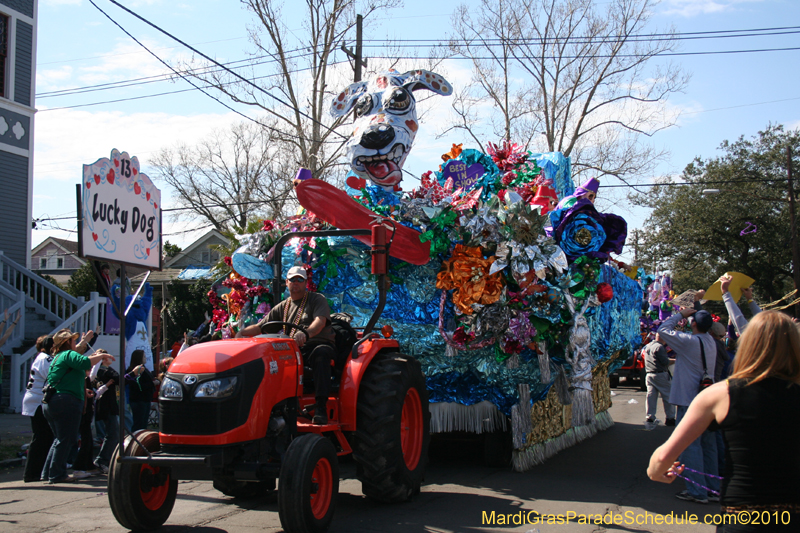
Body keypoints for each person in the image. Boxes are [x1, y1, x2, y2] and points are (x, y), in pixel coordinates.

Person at [647, 310, 800, 531]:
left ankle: (699, 491)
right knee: (709, 446)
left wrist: (659, 471)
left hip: (742, 517)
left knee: (701, 446)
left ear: (748, 344)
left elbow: (660, 461)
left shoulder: (719, 395)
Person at [237, 265, 338, 425]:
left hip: (315, 346)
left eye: (300, 279)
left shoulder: (316, 299)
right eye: (293, 279)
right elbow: (261, 326)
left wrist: (305, 333)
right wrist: (241, 333)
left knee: (321, 353)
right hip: (294, 350)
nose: (296, 282)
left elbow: (320, 322)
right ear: (287, 282)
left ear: (305, 283)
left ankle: (320, 407)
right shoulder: (283, 307)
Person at [657, 306, 719, 503]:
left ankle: (697, 491)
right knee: (708, 446)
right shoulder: (710, 341)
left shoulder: (690, 342)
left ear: (693, 324)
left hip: (689, 400)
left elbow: (662, 330)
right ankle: (712, 489)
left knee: (689, 446)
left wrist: (680, 315)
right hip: (708, 399)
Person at [41, 329, 115, 484]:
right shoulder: (68, 354)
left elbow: (70, 375)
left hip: (53, 401)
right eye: (73, 340)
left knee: (59, 439)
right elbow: (85, 362)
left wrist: (83, 390)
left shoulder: (57, 357)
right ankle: (57, 474)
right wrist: (101, 356)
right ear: (68, 342)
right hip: (66, 401)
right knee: (66, 439)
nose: (75, 343)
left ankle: (48, 473)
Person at [21, 335, 55, 483]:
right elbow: (53, 377)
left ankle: (40, 470)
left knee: (46, 437)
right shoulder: (45, 359)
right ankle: (31, 473)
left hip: (38, 400)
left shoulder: (42, 357)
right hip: (37, 401)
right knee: (40, 437)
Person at [642, 333, 675, 428]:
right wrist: (676, 360)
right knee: (668, 396)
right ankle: (670, 418)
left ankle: (650, 416)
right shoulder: (659, 347)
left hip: (649, 374)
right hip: (660, 374)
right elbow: (665, 362)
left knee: (651, 396)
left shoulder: (648, 346)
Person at [93, 360, 119, 474]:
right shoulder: (104, 371)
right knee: (112, 434)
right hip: (106, 406)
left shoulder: (100, 372)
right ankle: (102, 460)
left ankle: (105, 459)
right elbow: (118, 378)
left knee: (113, 434)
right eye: (107, 357)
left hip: (107, 406)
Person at [125, 349, 156, 432]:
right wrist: (152, 384)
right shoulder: (134, 370)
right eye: (144, 356)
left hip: (146, 399)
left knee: (144, 423)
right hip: (138, 399)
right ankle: (135, 440)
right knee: (138, 423)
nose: (145, 358)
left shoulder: (144, 368)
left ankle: (141, 440)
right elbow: (137, 385)